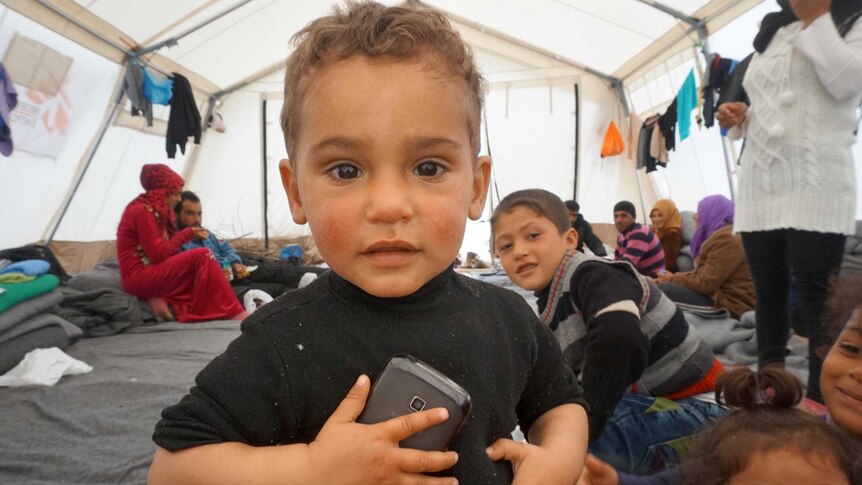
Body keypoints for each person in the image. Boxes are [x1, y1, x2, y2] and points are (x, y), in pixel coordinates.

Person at [148, 3, 589, 484]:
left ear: (477, 186)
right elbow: (172, 470)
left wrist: (559, 462)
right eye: (346, 170)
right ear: (297, 192)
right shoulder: (280, 340)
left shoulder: (508, 319)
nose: (388, 205)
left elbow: (561, 403)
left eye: (428, 168)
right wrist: (312, 469)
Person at [491, 189, 724, 468]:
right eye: (505, 246)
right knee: (554, 421)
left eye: (532, 235)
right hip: (653, 403)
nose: (520, 251)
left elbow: (619, 338)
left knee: (570, 443)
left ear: (569, 240)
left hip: (699, 407)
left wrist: (590, 420)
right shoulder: (549, 307)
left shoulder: (592, 273)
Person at [579, 276, 862, 485]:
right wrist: (618, 481)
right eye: (851, 348)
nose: (858, 371)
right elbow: (682, 479)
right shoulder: (793, 436)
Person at [716, 0, 862, 403]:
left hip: (817, 182)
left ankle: (818, 403)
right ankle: (771, 392)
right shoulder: (771, 31)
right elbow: (768, 99)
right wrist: (741, 116)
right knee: (769, 293)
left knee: (818, 301)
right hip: (763, 183)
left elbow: (848, 83)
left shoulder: (853, 18)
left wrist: (816, 17)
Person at [116, 163, 247, 322]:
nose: (178, 199)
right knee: (203, 255)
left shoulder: (156, 210)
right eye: (176, 194)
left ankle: (162, 299)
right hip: (139, 278)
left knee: (197, 269)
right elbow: (157, 254)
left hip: (150, 273)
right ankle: (234, 312)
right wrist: (187, 235)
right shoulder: (143, 211)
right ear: (163, 192)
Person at [175, 191, 325, 298]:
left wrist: (234, 263)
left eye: (199, 214)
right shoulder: (179, 244)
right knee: (276, 290)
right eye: (190, 213)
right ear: (177, 215)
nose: (196, 218)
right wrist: (226, 269)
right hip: (225, 282)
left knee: (278, 270)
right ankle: (315, 296)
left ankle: (329, 277)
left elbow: (226, 248)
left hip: (239, 269)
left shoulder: (205, 233)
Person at [655, 195, 755, 319]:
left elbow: (705, 283)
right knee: (656, 288)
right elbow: (703, 277)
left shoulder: (727, 239)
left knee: (663, 292)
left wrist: (672, 278)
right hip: (716, 296)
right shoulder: (721, 236)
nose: (694, 216)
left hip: (730, 305)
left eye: (699, 211)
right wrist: (671, 278)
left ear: (713, 213)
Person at [613, 200, 666, 277]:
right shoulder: (621, 236)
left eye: (624, 216)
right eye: (616, 216)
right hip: (639, 276)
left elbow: (626, 264)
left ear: (634, 217)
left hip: (655, 278)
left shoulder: (639, 233)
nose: (618, 220)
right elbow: (616, 261)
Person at [649, 199, 682, 272]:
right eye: (653, 216)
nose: (656, 219)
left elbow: (667, 264)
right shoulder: (658, 232)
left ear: (669, 215)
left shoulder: (672, 234)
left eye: (660, 215)